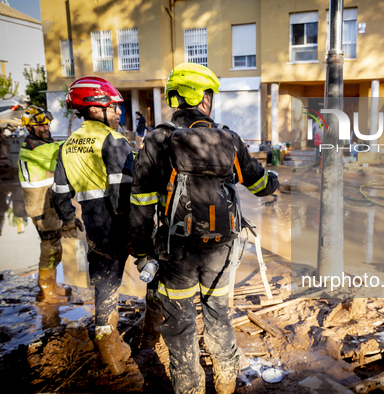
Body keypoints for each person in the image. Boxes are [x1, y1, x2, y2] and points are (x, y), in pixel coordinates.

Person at [129, 63, 279, 394]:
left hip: (175, 251)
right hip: (221, 250)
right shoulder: (229, 139)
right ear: (205, 98)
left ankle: (189, 387)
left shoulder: (157, 139)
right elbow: (260, 185)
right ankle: (226, 379)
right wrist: (274, 181)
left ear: (176, 98)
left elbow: (140, 204)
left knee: (180, 326)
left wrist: (142, 253)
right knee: (219, 316)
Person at [52, 76, 133, 375]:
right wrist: (133, 228)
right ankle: (139, 338)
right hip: (119, 221)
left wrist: (69, 219)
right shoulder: (113, 140)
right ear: (95, 109)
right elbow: (122, 189)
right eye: (113, 108)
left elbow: (60, 192)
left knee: (104, 282)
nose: (118, 113)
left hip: (93, 223)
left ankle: (107, 343)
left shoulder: (67, 145)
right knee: (157, 268)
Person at [18, 105, 71, 303]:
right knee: (49, 247)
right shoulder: (35, 147)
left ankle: (52, 286)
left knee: (55, 246)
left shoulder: (41, 143)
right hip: (40, 206)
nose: (45, 127)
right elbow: (63, 151)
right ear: (29, 128)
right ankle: (46, 291)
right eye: (39, 125)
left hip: (47, 204)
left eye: (46, 123)